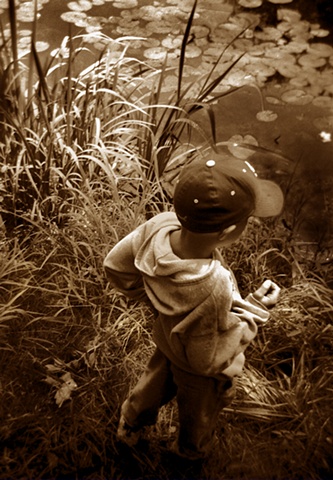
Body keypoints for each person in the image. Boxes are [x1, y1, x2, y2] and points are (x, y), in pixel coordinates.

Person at [103, 152, 283, 460]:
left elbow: (114, 266)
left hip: (167, 340)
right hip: (197, 368)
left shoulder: (158, 227)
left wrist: (153, 300)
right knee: (198, 414)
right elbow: (207, 360)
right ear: (228, 232)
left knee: (151, 387)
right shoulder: (213, 284)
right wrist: (254, 310)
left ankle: (130, 425)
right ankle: (189, 454)